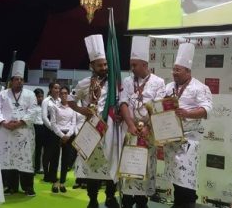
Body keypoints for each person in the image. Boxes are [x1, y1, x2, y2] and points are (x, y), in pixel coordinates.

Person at [67, 34, 119, 208]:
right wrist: (83, 111)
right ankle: (93, 199)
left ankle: (110, 196)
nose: (104, 67)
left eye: (105, 64)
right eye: (100, 65)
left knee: (110, 164)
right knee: (91, 168)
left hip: (110, 129)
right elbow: (69, 100)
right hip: (90, 129)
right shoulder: (84, 83)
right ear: (92, 66)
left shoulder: (115, 83)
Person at [163, 43, 213, 208]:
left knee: (187, 178)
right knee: (176, 176)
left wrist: (187, 113)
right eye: (174, 69)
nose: (174, 73)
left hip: (189, 141)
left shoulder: (200, 87)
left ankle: (187, 205)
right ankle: (178, 204)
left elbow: (206, 110)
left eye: (178, 70)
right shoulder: (169, 87)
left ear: (188, 71)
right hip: (170, 139)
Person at [119, 36, 166, 208]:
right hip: (130, 132)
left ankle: (142, 202)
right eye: (131, 65)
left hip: (148, 134)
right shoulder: (127, 81)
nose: (132, 68)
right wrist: (131, 125)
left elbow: (158, 107)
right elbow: (123, 103)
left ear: (145, 65)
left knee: (145, 167)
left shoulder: (158, 82)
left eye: (135, 65)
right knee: (129, 167)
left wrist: (147, 126)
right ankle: (126, 200)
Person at [0, 60, 39, 196]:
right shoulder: (3, 94)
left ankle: (28, 187)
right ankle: (9, 186)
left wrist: (20, 123)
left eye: (21, 79)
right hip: (5, 132)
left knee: (24, 159)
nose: (19, 81)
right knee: (7, 158)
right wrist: (3, 123)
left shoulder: (30, 95)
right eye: (16, 79)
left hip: (23, 132)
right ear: (11, 81)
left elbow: (34, 110)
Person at [50, 85, 77, 193]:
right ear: (59, 95)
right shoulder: (54, 106)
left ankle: (62, 182)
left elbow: (73, 123)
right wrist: (62, 135)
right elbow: (53, 123)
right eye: (62, 93)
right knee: (55, 159)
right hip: (57, 134)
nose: (64, 95)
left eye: (66, 93)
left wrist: (68, 135)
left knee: (66, 160)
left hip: (69, 135)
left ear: (69, 94)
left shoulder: (73, 107)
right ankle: (55, 182)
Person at [41, 82, 61, 182]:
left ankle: (53, 175)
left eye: (58, 88)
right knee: (47, 154)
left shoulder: (60, 101)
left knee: (56, 154)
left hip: (58, 131)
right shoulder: (46, 101)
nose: (58, 90)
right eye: (55, 88)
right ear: (50, 89)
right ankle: (46, 175)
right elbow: (44, 117)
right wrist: (53, 128)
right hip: (49, 130)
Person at [33, 88, 45, 174]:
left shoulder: (45, 106)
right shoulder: (32, 106)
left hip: (43, 128)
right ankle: (34, 167)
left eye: (41, 96)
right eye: (38, 96)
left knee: (42, 150)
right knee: (35, 149)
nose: (40, 98)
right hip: (35, 127)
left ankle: (41, 167)